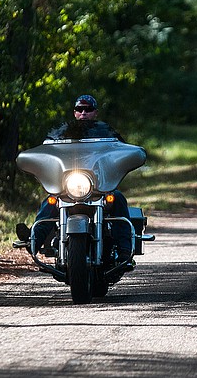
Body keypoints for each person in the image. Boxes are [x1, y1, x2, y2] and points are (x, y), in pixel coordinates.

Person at [16, 94, 134, 267]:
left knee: (118, 199)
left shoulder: (105, 131)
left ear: (95, 112)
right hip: (68, 188)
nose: (83, 113)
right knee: (50, 201)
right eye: (80, 109)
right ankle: (33, 240)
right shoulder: (61, 132)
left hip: (98, 187)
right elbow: (47, 150)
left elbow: (122, 150)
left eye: (88, 109)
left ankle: (125, 251)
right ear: (74, 112)